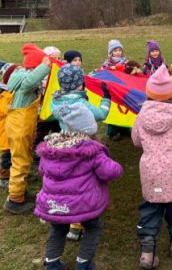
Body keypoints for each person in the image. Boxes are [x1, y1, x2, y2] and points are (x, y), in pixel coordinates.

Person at [35, 101, 123, 270]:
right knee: (93, 227)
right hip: (84, 204)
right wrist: (118, 167)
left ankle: (51, 263)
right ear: (89, 128)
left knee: (58, 228)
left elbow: (41, 170)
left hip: (55, 204)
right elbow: (110, 171)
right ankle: (84, 263)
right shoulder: (92, 151)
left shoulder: (50, 149)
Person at [132, 64, 172, 269]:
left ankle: (147, 250)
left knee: (151, 207)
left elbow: (136, 141)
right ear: (170, 93)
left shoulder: (141, 115)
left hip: (151, 170)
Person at [51, 64, 112, 241]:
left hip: (65, 143)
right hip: (83, 145)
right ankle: (79, 224)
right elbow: (101, 114)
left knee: (70, 183)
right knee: (83, 183)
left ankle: (70, 221)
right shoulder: (80, 103)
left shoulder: (56, 100)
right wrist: (106, 98)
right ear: (79, 83)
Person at [3, 44, 52, 214]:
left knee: (23, 159)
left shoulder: (20, 76)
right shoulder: (26, 83)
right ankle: (15, 200)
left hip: (19, 128)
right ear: (35, 67)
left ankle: (20, 191)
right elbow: (31, 81)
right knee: (20, 162)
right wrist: (45, 65)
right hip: (19, 129)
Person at [0, 63, 19, 189]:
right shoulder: (5, 94)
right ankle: (4, 177)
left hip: (12, 131)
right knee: (6, 158)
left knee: (13, 155)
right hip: (6, 133)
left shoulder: (11, 92)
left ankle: (13, 174)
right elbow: (6, 110)